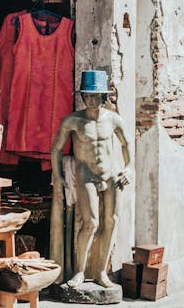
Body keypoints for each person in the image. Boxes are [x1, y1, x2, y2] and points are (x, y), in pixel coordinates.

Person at [50, 70, 132, 288]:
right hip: (86, 174)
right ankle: (79, 271)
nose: (90, 99)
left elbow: (126, 143)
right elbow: (56, 149)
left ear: (104, 96)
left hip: (112, 174)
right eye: (86, 95)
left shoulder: (113, 119)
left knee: (112, 221)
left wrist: (130, 167)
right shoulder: (73, 121)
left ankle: (101, 272)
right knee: (91, 223)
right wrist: (58, 177)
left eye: (95, 95)